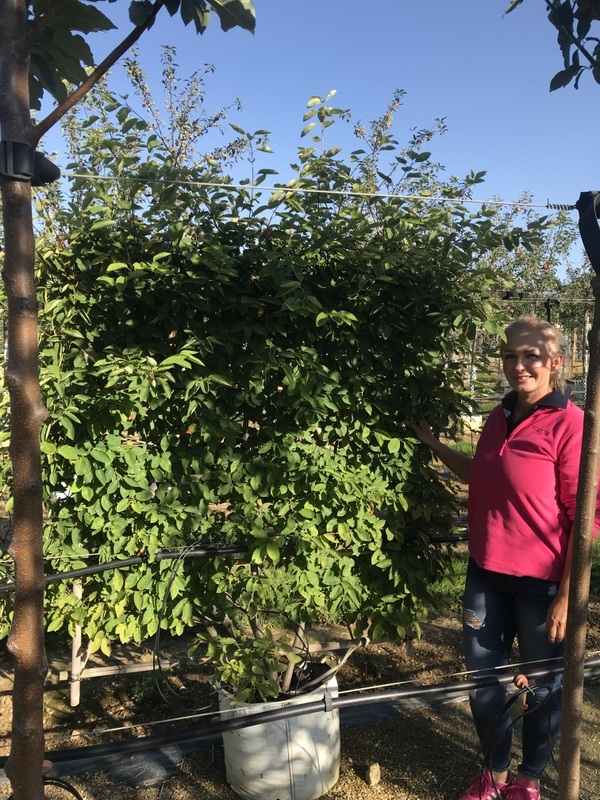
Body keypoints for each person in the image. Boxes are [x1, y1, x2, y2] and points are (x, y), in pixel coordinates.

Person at [409, 316, 598, 800]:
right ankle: (492, 775)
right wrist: (431, 443)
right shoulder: (499, 415)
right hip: (486, 575)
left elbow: (587, 519)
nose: (519, 366)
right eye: (511, 356)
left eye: (531, 356)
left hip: (543, 585)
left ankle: (529, 780)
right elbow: (482, 473)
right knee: (483, 684)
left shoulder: (572, 425)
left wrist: (567, 598)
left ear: (555, 363)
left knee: (541, 690)